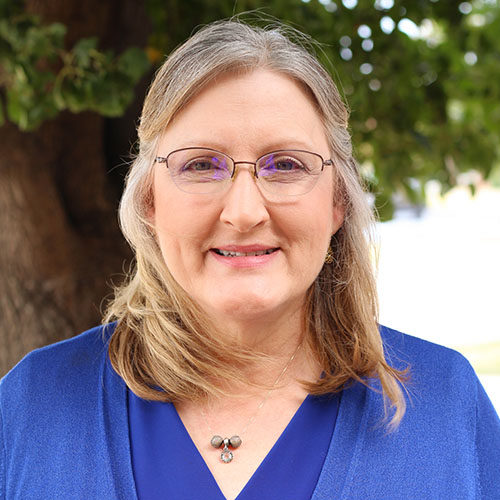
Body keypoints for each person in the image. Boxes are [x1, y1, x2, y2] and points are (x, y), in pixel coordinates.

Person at [1, 18, 499, 500]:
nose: (243, 212)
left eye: (285, 165)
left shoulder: (446, 410)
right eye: (200, 165)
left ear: (338, 202)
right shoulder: (30, 407)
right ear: (150, 200)